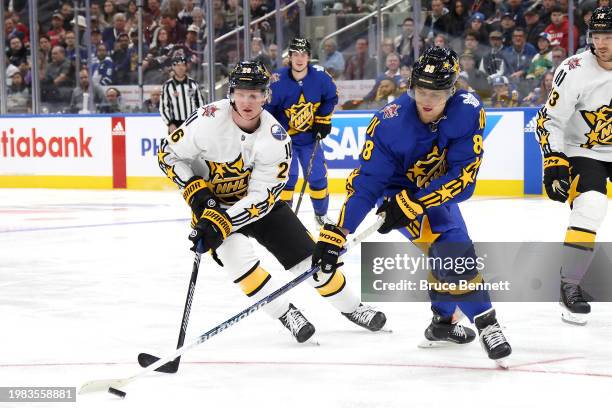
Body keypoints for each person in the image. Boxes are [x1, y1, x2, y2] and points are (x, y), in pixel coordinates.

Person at [156, 60, 386, 344]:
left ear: (266, 96)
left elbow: (261, 197)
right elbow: (168, 154)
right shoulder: (207, 119)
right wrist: (197, 193)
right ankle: (286, 313)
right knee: (239, 262)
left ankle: (353, 307)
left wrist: (224, 221)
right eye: (241, 93)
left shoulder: (276, 138)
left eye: (254, 94)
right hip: (211, 207)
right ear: (231, 93)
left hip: (259, 208)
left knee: (312, 263)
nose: (247, 101)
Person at [312, 47, 512, 365]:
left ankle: (443, 325)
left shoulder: (469, 110)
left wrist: (416, 203)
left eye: (436, 92)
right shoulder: (388, 125)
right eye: (421, 90)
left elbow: (463, 180)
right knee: (452, 249)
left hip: (432, 192)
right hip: (396, 195)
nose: (427, 100)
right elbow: (365, 185)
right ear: (410, 87)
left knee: (449, 249)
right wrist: (338, 231)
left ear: (452, 89)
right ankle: (488, 323)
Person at [536, 6, 612, 325]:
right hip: (584, 151)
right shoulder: (576, 68)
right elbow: (550, 119)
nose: (602, 43)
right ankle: (570, 284)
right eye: (596, 36)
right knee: (591, 204)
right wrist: (554, 159)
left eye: (608, 35)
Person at [265, 37, 338, 227]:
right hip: (284, 141)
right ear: (289, 57)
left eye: (303, 54)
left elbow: (331, 98)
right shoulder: (276, 80)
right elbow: (267, 112)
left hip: (309, 139)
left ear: (309, 57)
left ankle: (320, 215)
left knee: (317, 176)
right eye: (295, 54)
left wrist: (323, 120)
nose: (299, 58)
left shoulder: (321, 77)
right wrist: (274, 136)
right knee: (288, 178)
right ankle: (286, 220)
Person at [159, 55, 204, 134]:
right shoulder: (167, 86)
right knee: (176, 146)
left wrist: (199, 120)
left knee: (192, 146)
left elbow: (200, 104)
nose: (180, 68)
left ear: (186, 67)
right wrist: (170, 124)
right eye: (177, 65)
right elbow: (163, 107)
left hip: (192, 123)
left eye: (183, 65)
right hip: (175, 125)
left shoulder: (193, 84)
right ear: (173, 67)